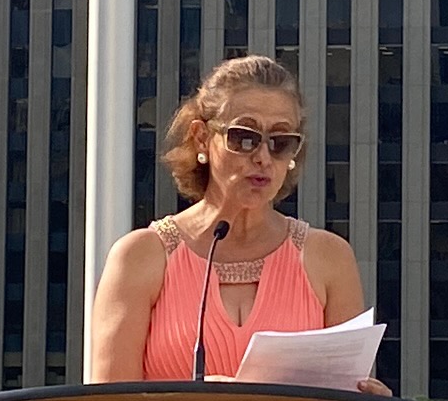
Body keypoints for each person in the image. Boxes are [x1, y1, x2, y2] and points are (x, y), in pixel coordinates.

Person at [88, 53, 369, 383]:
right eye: (244, 138)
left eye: (281, 143)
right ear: (202, 138)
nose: (262, 157)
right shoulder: (140, 256)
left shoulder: (329, 258)